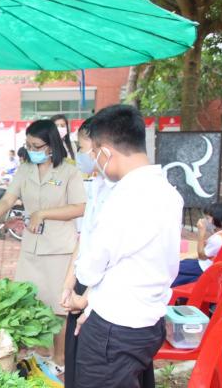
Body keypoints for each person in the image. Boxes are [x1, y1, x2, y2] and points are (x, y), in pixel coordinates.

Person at [74, 104, 183, 388]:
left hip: (115, 330)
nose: (94, 161)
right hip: (148, 322)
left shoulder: (123, 199)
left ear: (106, 152)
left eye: (94, 153)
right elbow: (170, 266)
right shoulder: (168, 192)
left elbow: (89, 269)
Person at [0, 119, 86, 373]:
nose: (31, 149)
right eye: (27, 144)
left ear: (51, 146)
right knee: (32, 305)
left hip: (59, 248)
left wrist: (43, 213)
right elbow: (7, 199)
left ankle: (60, 360)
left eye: (36, 145)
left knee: (59, 308)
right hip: (31, 249)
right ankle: (40, 358)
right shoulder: (25, 169)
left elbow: (80, 207)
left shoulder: (68, 171)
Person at [59, 117, 115, 388]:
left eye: (82, 148)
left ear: (101, 148)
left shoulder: (121, 193)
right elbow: (85, 239)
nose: (80, 155)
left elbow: (118, 261)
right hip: (84, 287)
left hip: (104, 295)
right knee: (77, 364)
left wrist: (87, 299)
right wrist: (69, 284)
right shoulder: (96, 184)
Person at [172, 203, 222, 287]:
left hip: (204, 268)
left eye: (207, 218)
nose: (204, 221)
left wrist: (201, 233)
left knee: (174, 267)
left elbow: (201, 256)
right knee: (183, 264)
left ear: (220, 221)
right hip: (216, 269)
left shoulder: (218, 239)